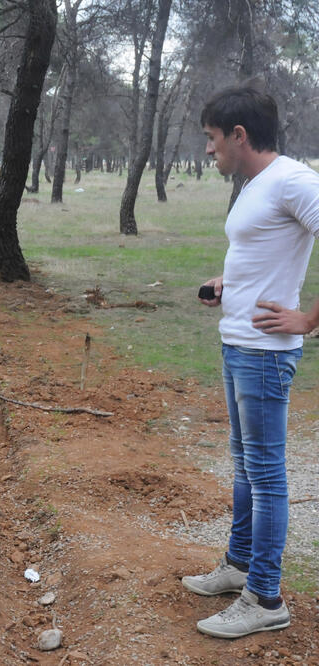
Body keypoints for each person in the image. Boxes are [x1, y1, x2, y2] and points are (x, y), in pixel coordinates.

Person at [185, 85, 319, 638]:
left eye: (213, 140)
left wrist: (309, 319)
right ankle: (239, 566)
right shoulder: (255, 186)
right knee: (244, 466)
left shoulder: (294, 179)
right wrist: (227, 283)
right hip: (237, 344)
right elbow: (260, 253)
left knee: (265, 477)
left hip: (265, 356)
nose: (209, 152)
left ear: (239, 135)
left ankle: (265, 597)